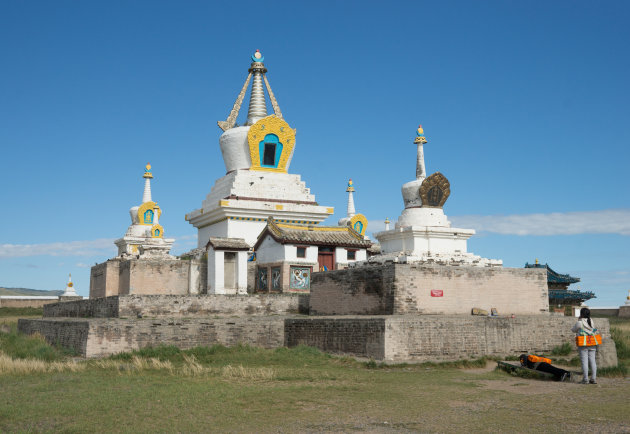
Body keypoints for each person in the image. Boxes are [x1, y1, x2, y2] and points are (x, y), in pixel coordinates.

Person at [572, 307, 598, 384]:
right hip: (592, 343)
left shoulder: (580, 322)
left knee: (584, 362)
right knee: (593, 361)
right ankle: (593, 378)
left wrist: (579, 320)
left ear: (581, 314)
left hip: (583, 344)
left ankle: (585, 379)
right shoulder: (591, 321)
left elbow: (573, 330)